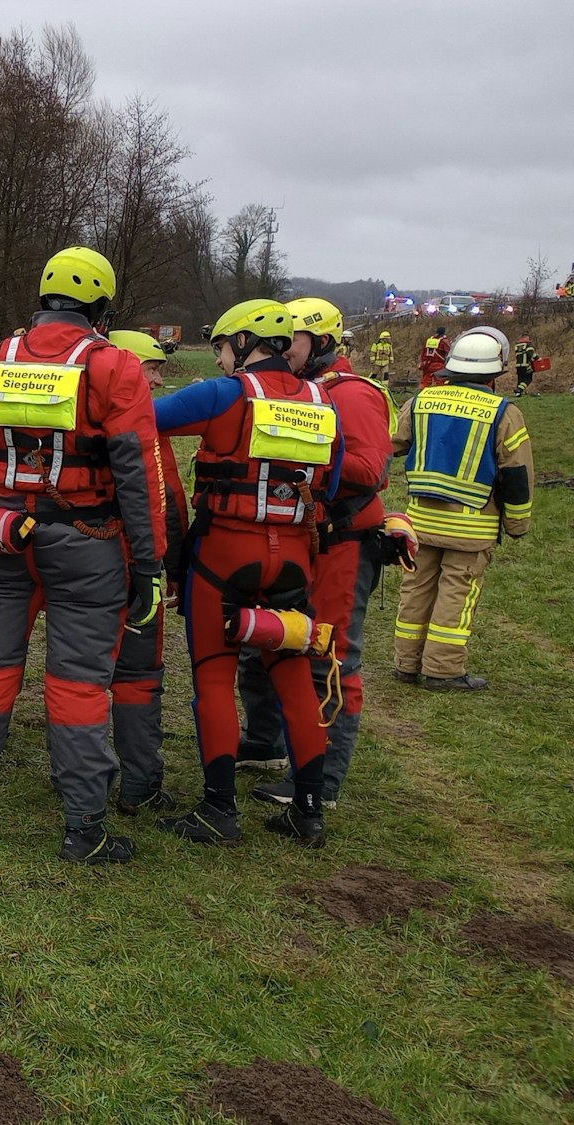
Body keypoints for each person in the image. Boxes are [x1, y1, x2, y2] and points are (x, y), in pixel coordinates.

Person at [0, 246, 166, 864]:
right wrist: (147, 563)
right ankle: (82, 827)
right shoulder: (114, 366)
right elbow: (139, 475)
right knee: (79, 685)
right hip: (87, 545)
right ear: (100, 306)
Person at [153, 299, 343, 848]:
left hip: (224, 555)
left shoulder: (226, 394)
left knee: (213, 675)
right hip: (293, 561)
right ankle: (308, 810)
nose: (216, 359)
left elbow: (144, 413)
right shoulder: (322, 402)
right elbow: (328, 485)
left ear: (243, 343)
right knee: (291, 675)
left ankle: (218, 810)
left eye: (219, 347)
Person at [238, 297, 399, 811]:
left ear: (322, 342)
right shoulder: (299, 390)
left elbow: (370, 470)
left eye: (295, 339)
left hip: (342, 544)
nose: (284, 347)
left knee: (329, 655)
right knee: (263, 642)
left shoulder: (351, 395)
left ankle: (321, 781)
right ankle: (266, 743)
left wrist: (304, 445)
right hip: (297, 539)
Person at [392, 330, 534, 690]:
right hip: (471, 528)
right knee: (456, 593)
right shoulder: (504, 413)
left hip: (420, 521)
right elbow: (516, 475)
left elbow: (392, 442)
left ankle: (406, 664)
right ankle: (443, 670)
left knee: (415, 589)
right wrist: (517, 524)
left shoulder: (421, 401)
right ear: (494, 373)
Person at [104, 329, 188, 815]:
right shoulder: (140, 427)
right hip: (132, 561)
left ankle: (72, 769)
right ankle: (139, 781)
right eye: (152, 368)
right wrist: (167, 567)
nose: (158, 379)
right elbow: (166, 502)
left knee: (79, 673)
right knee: (137, 671)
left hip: (78, 560)